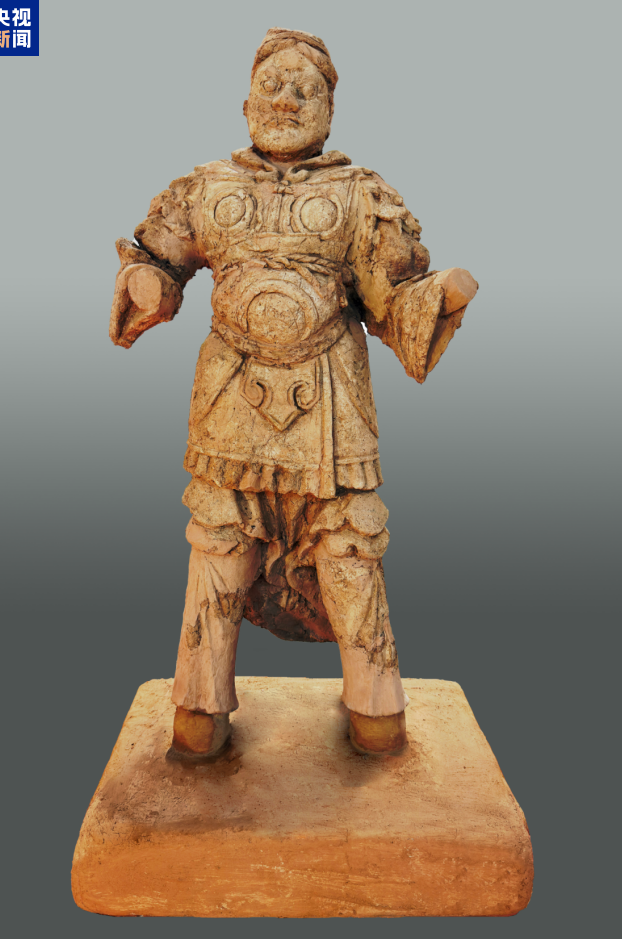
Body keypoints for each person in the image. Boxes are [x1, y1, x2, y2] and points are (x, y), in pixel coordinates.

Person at [109, 28, 478, 758]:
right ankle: (198, 709)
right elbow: (156, 258)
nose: (286, 99)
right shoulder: (207, 187)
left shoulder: (359, 194)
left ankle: (376, 709)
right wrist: (147, 283)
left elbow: (393, 295)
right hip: (232, 393)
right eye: (272, 86)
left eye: (306, 90)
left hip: (331, 397)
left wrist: (434, 299)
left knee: (349, 542)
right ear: (245, 102)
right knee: (219, 537)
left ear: (330, 110)